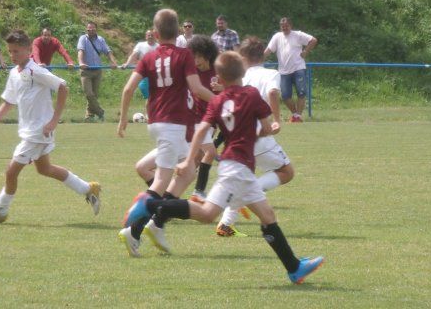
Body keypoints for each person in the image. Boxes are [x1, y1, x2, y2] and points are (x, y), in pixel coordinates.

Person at [122, 51, 324, 284]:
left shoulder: (217, 101)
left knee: (261, 215)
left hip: (233, 165)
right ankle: (150, 204)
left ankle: (294, 268)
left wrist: (188, 160)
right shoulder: (251, 94)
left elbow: (201, 130)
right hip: (239, 167)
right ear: (242, 72)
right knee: (209, 214)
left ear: (219, 77)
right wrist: (270, 128)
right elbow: (267, 128)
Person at [117, 9, 214, 257]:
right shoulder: (184, 55)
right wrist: (221, 101)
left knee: (188, 171)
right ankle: (133, 228)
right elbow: (196, 88)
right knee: (161, 181)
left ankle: (157, 223)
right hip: (174, 124)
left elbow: (128, 89)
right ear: (179, 30)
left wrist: (123, 119)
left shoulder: (148, 57)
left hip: (158, 123)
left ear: (156, 33)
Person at [0, 29, 101, 224]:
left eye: (16, 51)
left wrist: (54, 121)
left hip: (38, 132)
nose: (12, 55)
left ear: (28, 50)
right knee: (45, 169)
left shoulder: (35, 70)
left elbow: (62, 88)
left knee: (11, 172)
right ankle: (88, 188)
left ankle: (0, 213)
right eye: (10, 51)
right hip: (30, 132)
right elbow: (8, 102)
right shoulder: (14, 73)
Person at [216, 36, 294, 237]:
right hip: (261, 135)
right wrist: (276, 120)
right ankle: (244, 198)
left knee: (243, 178)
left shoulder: (239, 76)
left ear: (243, 56)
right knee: (286, 172)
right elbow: (273, 93)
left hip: (238, 137)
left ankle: (225, 224)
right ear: (263, 55)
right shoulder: (270, 73)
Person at [264, 17, 317, 122]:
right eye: (282, 26)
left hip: (298, 68)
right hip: (283, 71)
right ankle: (295, 114)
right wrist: (258, 59)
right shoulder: (277, 37)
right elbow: (269, 50)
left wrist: (306, 51)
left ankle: (298, 117)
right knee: (285, 96)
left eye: (286, 26)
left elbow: (313, 40)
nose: (284, 28)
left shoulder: (298, 35)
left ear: (290, 26)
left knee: (301, 93)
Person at [186, 35, 220, 203]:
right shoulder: (192, 73)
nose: (196, 61)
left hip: (212, 121)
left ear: (208, 54)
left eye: (199, 56)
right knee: (210, 153)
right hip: (197, 119)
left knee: (196, 159)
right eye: (193, 56)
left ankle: (170, 189)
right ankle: (198, 191)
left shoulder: (218, 70)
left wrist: (222, 88)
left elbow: (235, 88)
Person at [77, 21, 118, 122]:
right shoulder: (83, 39)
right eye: (89, 29)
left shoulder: (100, 39)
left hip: (97, 71)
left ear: (96, 29)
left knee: (94, 95)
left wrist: (113, 62)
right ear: (86, 30)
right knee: (89, 94)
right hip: (86, 71)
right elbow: (80, 51)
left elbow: (108, 51)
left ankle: (89, 116)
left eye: (93, 29)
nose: (91, 30)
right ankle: (100, 112)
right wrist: (81, 62)